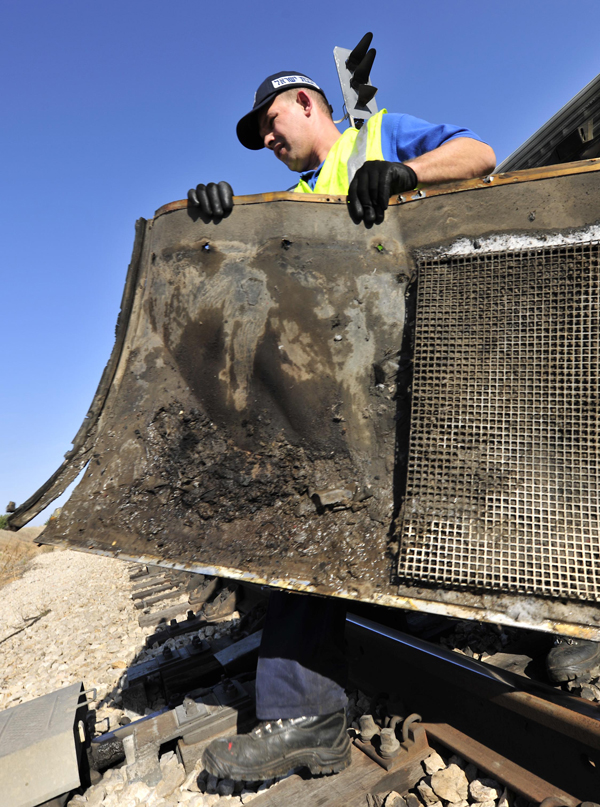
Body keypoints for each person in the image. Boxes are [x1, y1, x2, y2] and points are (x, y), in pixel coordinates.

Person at [188, 71, 496, 782]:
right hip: (352, 391)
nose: (266, 140)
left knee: (496, 480)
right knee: (300, 506)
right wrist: (218, 226)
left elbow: (480, 155)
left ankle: (563, 635)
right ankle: (306, 714)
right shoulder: (288, 203)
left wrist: (406, 172)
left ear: (305, 101)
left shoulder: (380, 133)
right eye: (259, 137)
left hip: (438, 359)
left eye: (269, 122)